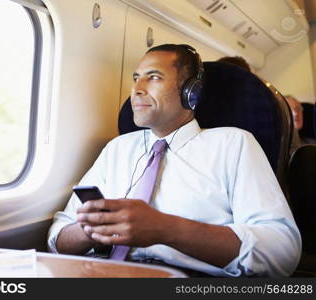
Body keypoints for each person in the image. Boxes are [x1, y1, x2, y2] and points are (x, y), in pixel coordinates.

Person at [47, 44, 301, 277]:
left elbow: (280, 252)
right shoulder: (117, 149)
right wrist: (92, 231)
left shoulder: (233, 144)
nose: (137, 89)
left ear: (191, 92)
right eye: (136, 78)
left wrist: (165, 228)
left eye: (154, 77)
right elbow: (57, 238)